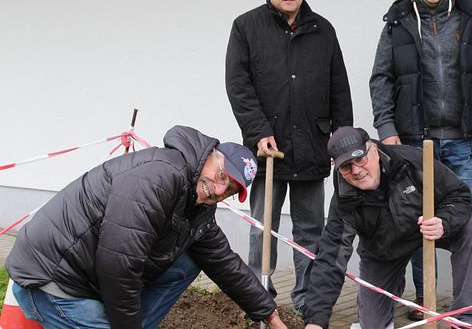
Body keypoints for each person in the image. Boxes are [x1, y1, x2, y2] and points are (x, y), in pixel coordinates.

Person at [6, 125, 287, 329]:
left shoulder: (198, 205)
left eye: (230, 190)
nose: (218, 189)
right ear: (211, 157)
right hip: (50, 279)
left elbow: (224, 262)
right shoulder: (158, 178)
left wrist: (270, 315)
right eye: (222, 176)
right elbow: (118, 266)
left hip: (88, 277)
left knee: (191, 260)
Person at [369, 0, 472, 317]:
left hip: (463, 139)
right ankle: (425, 301)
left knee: (469, 223)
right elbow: (381, 78)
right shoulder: (397, 22)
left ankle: (466, 310)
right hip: (413, 142)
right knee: (416, 222)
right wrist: (387, 129)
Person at [225, 0, 353, 312]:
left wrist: (341, 143)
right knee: (261, 229)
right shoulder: (246, 27)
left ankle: (308, 302)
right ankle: (258, 299)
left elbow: (339, 89)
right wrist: (258, 132)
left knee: (310, 231)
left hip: (312, 147)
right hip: (269, 149)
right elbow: (239, 87)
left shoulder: (323, 30)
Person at [302, 126, 472, 328]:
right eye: (346, 167)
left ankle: (463, 319)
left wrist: (444, 222)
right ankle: (392, 287)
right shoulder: (345, 199)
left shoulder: (411, 162)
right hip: (383, 249)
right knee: (372, 325)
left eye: (360, 159)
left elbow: (459, 195)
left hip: (427, 229)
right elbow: (330, 258)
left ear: (373, 151)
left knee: (470, 229)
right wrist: (316, 320)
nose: (356, 171)